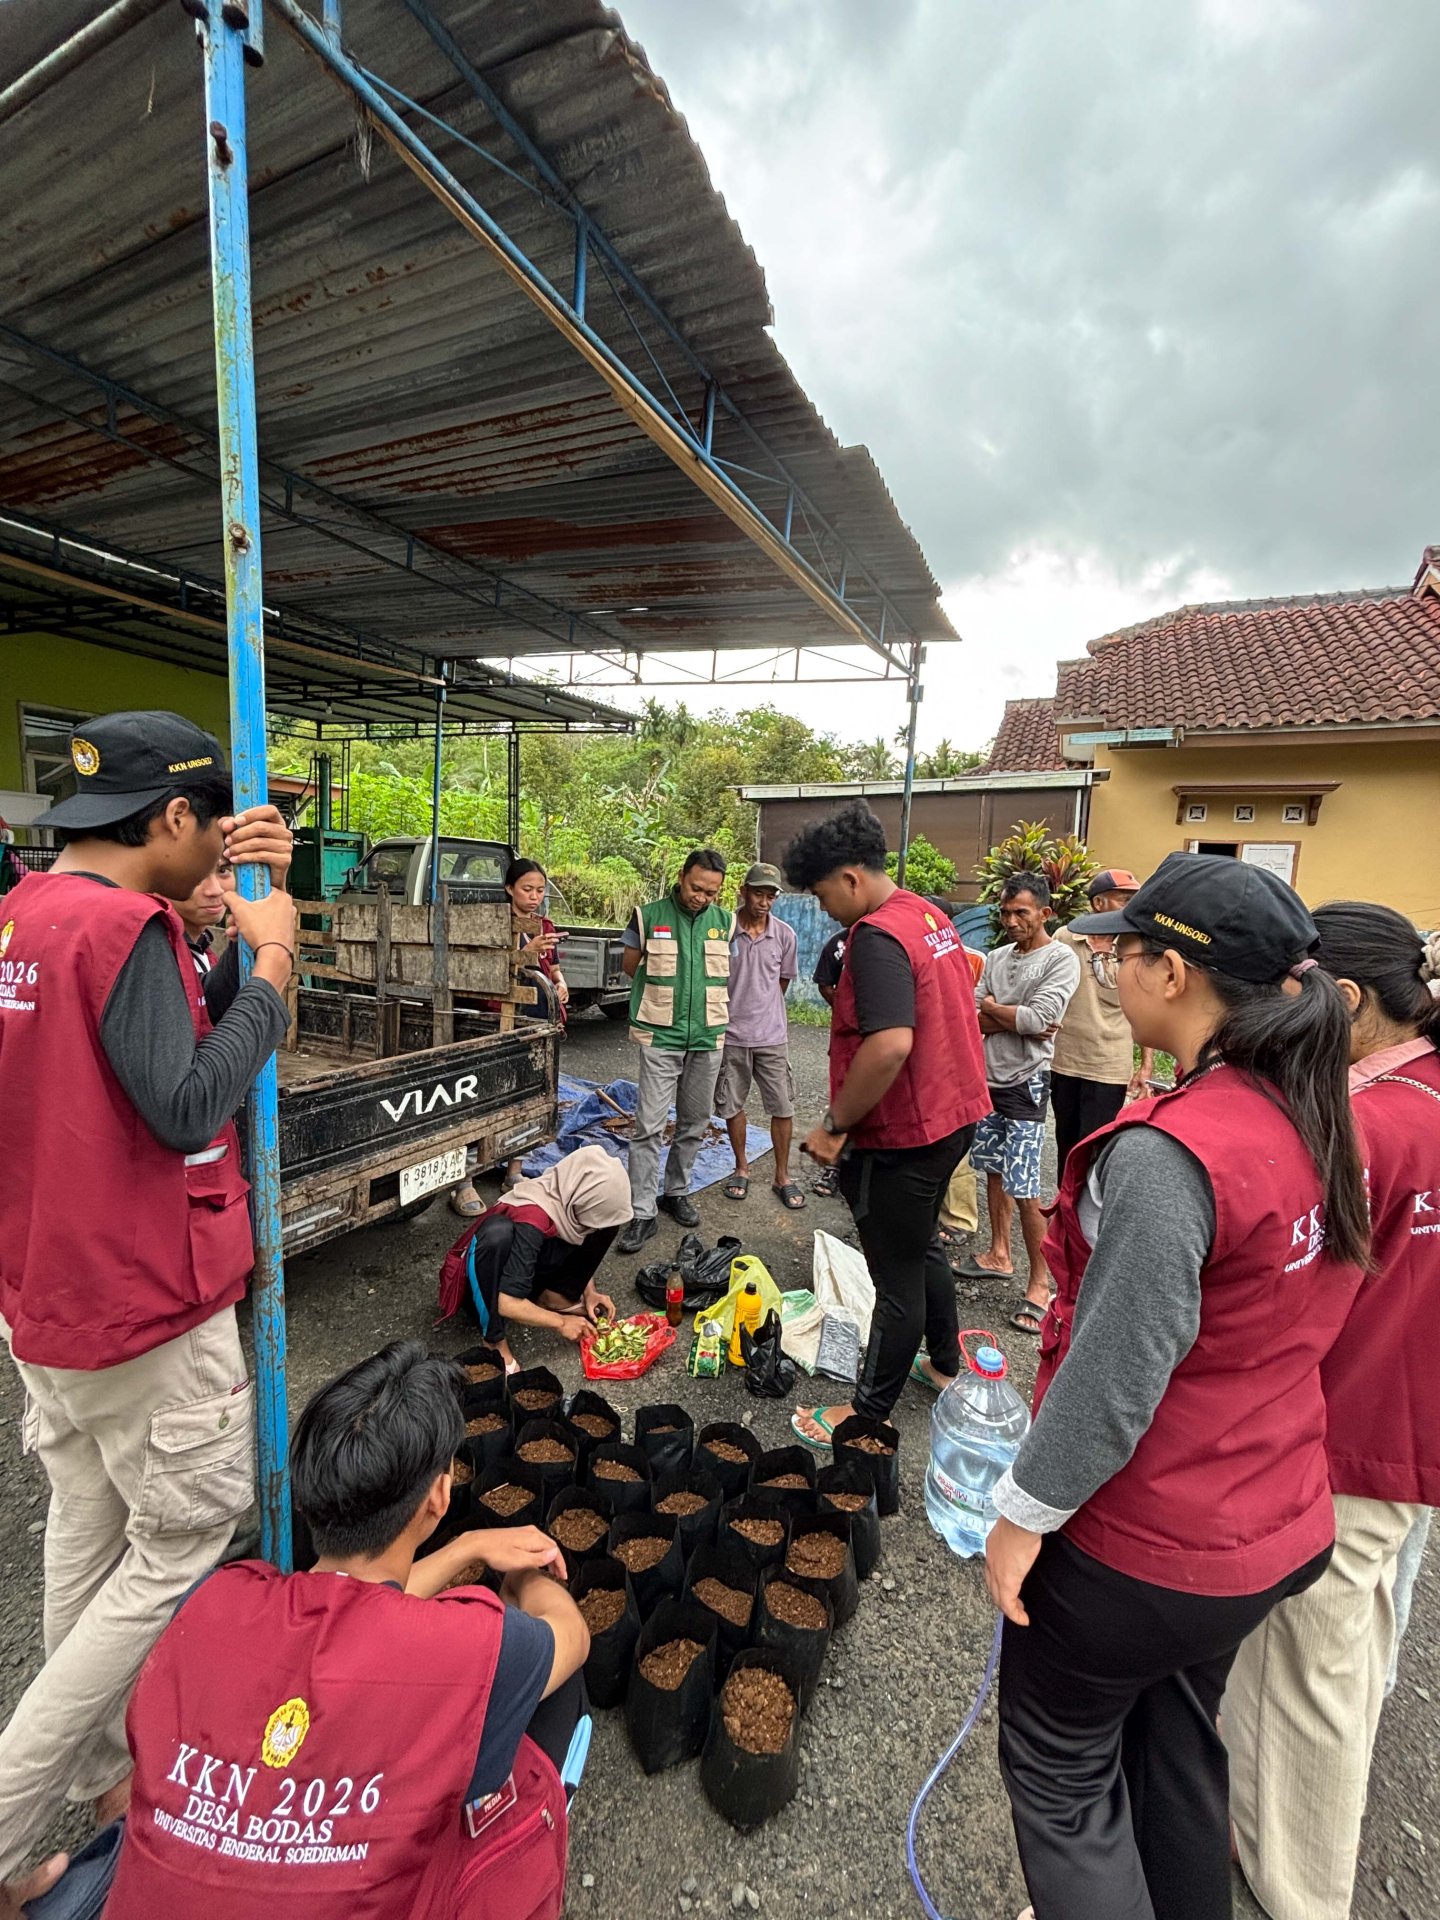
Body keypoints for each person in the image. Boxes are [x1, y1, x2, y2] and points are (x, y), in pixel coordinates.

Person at [983, 852, 1371, 1920]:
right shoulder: (1316, 1112)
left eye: (1126, 953)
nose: (1111, 971)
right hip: (1268, 1523)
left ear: (1173, 973)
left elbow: (1116, 1378)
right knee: (1176, 1752)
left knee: (1062, 1779)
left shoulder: (1174, 1155)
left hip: (1149, 1545)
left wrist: (1021, 1515)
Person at [0, 710, 296, 1907]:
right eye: (212, 830)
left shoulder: (28, 914)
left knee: (86, 1525)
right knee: (178, 1540)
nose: (222, 853)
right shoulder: (125, 928)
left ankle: (101, 1776)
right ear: (171, 816)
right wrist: (272, 969)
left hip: (47, 1298)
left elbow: (136, 1047)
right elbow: (181, 1102)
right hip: (138, 1305)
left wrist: (234, 936)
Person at [102, 1340, 588, 1917]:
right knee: (559, 1694)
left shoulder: (211, 1604)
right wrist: (523, 1580)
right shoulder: (460, 1648)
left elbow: (358, 1601)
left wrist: (468, 1546)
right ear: (440, 1494)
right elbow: (572, 1634)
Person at [1223, 901, 1440, 1920]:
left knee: (1314, 1666)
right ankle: (1253, 1816)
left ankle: (1301, 1890)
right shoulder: (1423, 1094)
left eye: (1290, 992)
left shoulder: (1362, 1124)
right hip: (1408, 1426)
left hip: (1347, 1430)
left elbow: (1283, 1291)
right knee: (1351, 1633)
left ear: (1344, 1000)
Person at [778, 803, 990, 1448]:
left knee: (895, 1280)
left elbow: (891, 1043)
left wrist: (835, 1123)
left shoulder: (874, 936)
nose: (825, 912)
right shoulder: (927, 915)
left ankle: (867, 1414)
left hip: (905, 1132)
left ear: (850, 877)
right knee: (920, 1247)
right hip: (953, 1115)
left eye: (822, 896)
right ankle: (944, 1363)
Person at [953, 874, 1080, 1334]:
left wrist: (995, 1010)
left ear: (1045, 913)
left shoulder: (1060, 958)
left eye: (1021, 913)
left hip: (1027, 1082)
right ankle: (999, 1253)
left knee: (1024, 1185)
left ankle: (1040, 1284)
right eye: (1006, 912)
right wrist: (1008, 1016)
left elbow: (1040, 1018)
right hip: (988, 1080)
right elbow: (972, 1016)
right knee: (992, 1170)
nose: (1011, 921)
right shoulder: (996, 957)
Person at [616, 849, 735, 1254]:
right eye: (696, 888)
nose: (702, 897)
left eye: (711, 892)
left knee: (695, 1122)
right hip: (660, 1035)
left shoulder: (726, 923)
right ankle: (642, 1212)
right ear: (682, 876)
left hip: (707, 1035)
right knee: (648, 1126)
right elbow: (631, 966)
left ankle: (676, 1191)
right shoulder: (648, 916)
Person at [437, 1145, 631, 1369]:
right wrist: (561, 1322)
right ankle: (494, 1341)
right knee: (496, 1234)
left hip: (523, 1272)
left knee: (606, 1224)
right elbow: (507, 1303)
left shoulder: (567, 1197)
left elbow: (583, 1233)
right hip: (487, 1290)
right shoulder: (533, 1217)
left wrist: (589, 1292)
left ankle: (555, 1297)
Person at [474, 858, 572, 1215]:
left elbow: (554, 966)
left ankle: (514, 1170)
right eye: (527, 889)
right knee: (486, 1094)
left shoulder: (545, 924)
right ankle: (466, 1178)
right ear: (509, 889)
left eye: (540, 890)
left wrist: (560, 983)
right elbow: (484, 969)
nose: (534, 896)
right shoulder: (493, 922)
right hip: (500, 1017)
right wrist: (525, 953)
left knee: (529, 1094)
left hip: (538, 1017)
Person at [1050, 867, 1155, 1170]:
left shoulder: (1135, 944)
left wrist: (1146, 1064)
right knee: (1066, 1142)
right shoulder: (1066, 937)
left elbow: (1145, 1006)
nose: (1131, 906)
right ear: (1098, 903)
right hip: (1065, 1060)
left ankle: (1089, 1201)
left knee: (1095, 1147)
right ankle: (1064, 1199)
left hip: (1109, 1064)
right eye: (1124, 900)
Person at [717, 862, 803, 1210]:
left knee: (782, 1106)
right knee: (731, 1104)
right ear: (743, 892)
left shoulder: (785, 935)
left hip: (771, 1036)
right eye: (758, 894)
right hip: (730, 1035)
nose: (764, 902)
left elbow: (781, 983)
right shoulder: (723, 931)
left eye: (770, 896)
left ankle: (782, 1176)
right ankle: (741, 1168)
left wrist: (763, 1011)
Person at [175, 856, 232, 976]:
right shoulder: (153, 955)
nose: (216, 890)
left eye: (223, 871)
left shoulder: (203, 949)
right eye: (194, 874)